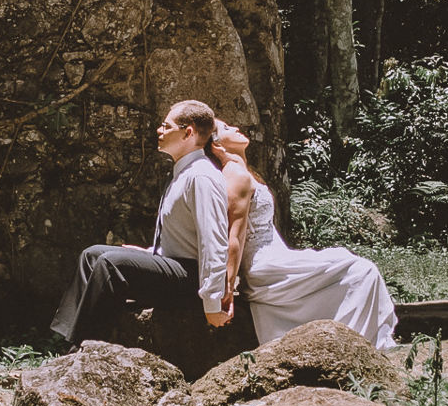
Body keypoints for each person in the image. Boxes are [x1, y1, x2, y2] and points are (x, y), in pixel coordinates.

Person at [49, 99, 234, 345]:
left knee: (110, 264)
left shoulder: (202, 176)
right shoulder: (185, 171)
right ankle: (66, 339)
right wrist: (151, 254)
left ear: (187, 132)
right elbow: (183, 236)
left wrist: (211, 303)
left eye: (165, 126)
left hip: (191, 280)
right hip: (175, 266)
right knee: (91, 255)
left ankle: (87, 346)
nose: (159, 130)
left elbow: (214, 242)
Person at [212, 118, 399, 349]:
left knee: (356, 267)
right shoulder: (233, 176)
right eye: (226, 129)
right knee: (361, 271)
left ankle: (354, 343)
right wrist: (228, 286)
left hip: (277, 255)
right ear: (216, 144)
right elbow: (234, 237)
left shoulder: (245, 171)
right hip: (266, 266)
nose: (236, 127)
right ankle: (353, 346)